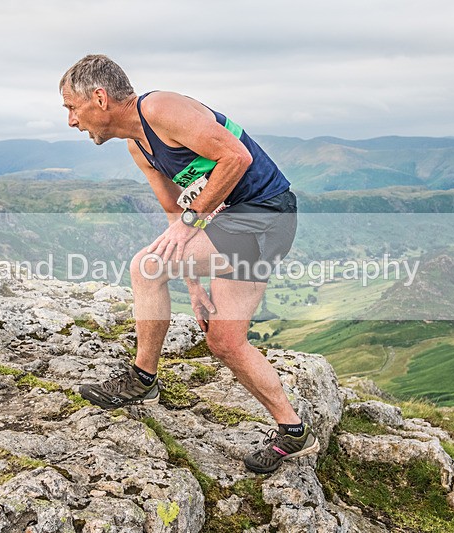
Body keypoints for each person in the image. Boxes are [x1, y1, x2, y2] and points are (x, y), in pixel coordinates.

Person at [59, 54, 318, 474]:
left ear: (100, 98)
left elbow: (236, 158)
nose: (72, 120)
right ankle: (294, 432)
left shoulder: (161, 108)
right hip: (239, 222)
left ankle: (142, 381)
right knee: (225, 342)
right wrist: (193, 282)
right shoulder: (138, 145)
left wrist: (192, 223)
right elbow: (173, 213)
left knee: (145, 266)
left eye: (72, 107)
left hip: (264, 214)